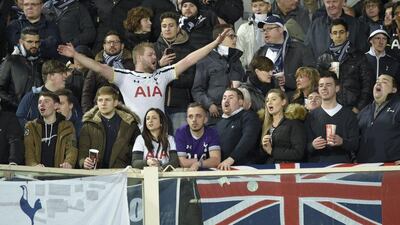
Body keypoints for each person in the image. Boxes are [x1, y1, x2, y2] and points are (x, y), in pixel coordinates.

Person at [58, 25, 231, 123]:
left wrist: (214, 43)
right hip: (133, 132)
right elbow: (97, 67)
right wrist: (75, 55)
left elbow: (189, 60)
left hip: (160, 132)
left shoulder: (162, 75)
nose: (155, 57)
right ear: (139, 57)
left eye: (155, 54)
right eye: (151, 54)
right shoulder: (125, 76)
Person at [192, 24, 245, 125]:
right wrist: (209, 105)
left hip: (236, 114)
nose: (234, 40)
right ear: (219, 38)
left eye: (235, 36)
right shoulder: (206, 60)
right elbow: (197, 90)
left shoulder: (236, 60)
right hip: (214, 115)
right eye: (231, 36)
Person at [317, 19, 373, 113]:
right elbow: (317, 84)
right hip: (330, 107)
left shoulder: (358, 55)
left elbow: (367, 83)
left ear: (347, 34)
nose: (338, 35)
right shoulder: (323, 58)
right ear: (331, 35)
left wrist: (359, 107)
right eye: (335, 33)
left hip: (352, 108)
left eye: (341, 32)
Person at [79, 86, 140, 169]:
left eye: (107, 100)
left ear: (115, 103)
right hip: (94, 175)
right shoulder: (88, 125)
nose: (103, 103)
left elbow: (137, 153)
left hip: (122, 174)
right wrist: (83, 162)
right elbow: (82, 151)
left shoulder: (130, 124)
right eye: (100, 100)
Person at [154, 11, 196, 132]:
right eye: (164, 26)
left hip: (180, 103)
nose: (167, 29)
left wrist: (168, 76)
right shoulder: (153, 48)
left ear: (178, 28)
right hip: (157, 103)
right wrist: (159, 65)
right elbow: (146, 76)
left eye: (171, 25)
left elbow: (190, 80)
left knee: (180, 140)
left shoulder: (189, 50)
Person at [305, 71, 359, 163]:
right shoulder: (310, 116)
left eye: (328, 85)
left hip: (342, 168)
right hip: (316, 168)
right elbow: (303, 147)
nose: (324, 88)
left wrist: (342, 142)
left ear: (337, 88)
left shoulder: (349, 115)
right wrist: (312, 145)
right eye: (321, 85)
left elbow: (355, 144)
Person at [256, 14, 315, 93]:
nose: (265, 33)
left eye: (269, 29)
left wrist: (287, 79)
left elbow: (311, 74)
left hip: (294, 96)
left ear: (280, 29)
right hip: (267, 96)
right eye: (264, 30)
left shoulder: (300, 49)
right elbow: (250, 74)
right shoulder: (261, 52)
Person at [16, 59, 82, 128]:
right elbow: (20, 120)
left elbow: (79, 121)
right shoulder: (31, 97)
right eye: (61, 73)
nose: (65, 76)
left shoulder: (70, 98)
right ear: (51, 76)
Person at [81, 31, 133, 113]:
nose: (112, 45)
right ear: (104, 46)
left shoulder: (131, 65)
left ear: (122, 46)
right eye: (109, 42)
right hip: (100, 112)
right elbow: (87, 92)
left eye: (115, 42)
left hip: (125, 111)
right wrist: (88, 114)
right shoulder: (96, 65)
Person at [24, 91, 77, 168]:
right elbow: (29, 151)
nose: (41, 104)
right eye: (39, 102)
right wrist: (34, 165)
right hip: (36, 174)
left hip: (59, 175)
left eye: (46, 101)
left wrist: (68, 163)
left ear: (56, 105)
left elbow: (72, 148)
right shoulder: (31, 126)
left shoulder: (68, 126)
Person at [357, 73, 400, 163]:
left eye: (384, 82)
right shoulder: (364, 111)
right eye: (377, 81)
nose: (378, 83)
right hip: (364, 168)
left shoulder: (398, 107)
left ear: (394, 89)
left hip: (391, 167)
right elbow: (354, 137)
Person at [216, 88, 262, 170]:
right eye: (224, 98)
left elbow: (248, 139)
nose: (226, 100)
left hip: (245, 169)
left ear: (240, 102)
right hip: (223, 168)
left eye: (230, 97)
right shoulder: (219, 123)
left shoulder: (249, 116)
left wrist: (231, 159)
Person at [0, 27, 43, 112]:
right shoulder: (11, 61)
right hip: (13, 114)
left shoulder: (42, 62)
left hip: (37, 114)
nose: (34, 45)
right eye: (30, 42)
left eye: (37, 42)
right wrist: (17, 105)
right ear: (21, 42)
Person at [261, 89, 306, 163]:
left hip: (287, 170)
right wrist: (264, 147)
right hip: (269, 170)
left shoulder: (294, 123)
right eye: (267, 101)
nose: (269, 102)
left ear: (283, 102)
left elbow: (298, 153)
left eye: (274, 99)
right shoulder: (265, 126)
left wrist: (272, 151)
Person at [175, 102, 221, 171]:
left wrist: (198, 164)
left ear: (205, 119)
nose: (194, 120)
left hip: (206, 174)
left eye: (198, 116)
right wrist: (204, 161)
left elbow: (216, 160)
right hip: (187, 174)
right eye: (190, 116)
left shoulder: (212, 133)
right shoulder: (181, 132)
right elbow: (182, 162)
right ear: (187, 120)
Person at [236, 0, 271, 71]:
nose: (258, 9)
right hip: (252, 70)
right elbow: (239, 51)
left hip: (272, 68)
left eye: (261, 5)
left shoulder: (278, 26)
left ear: (269, 7)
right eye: (255, 6)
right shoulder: (244, 28)